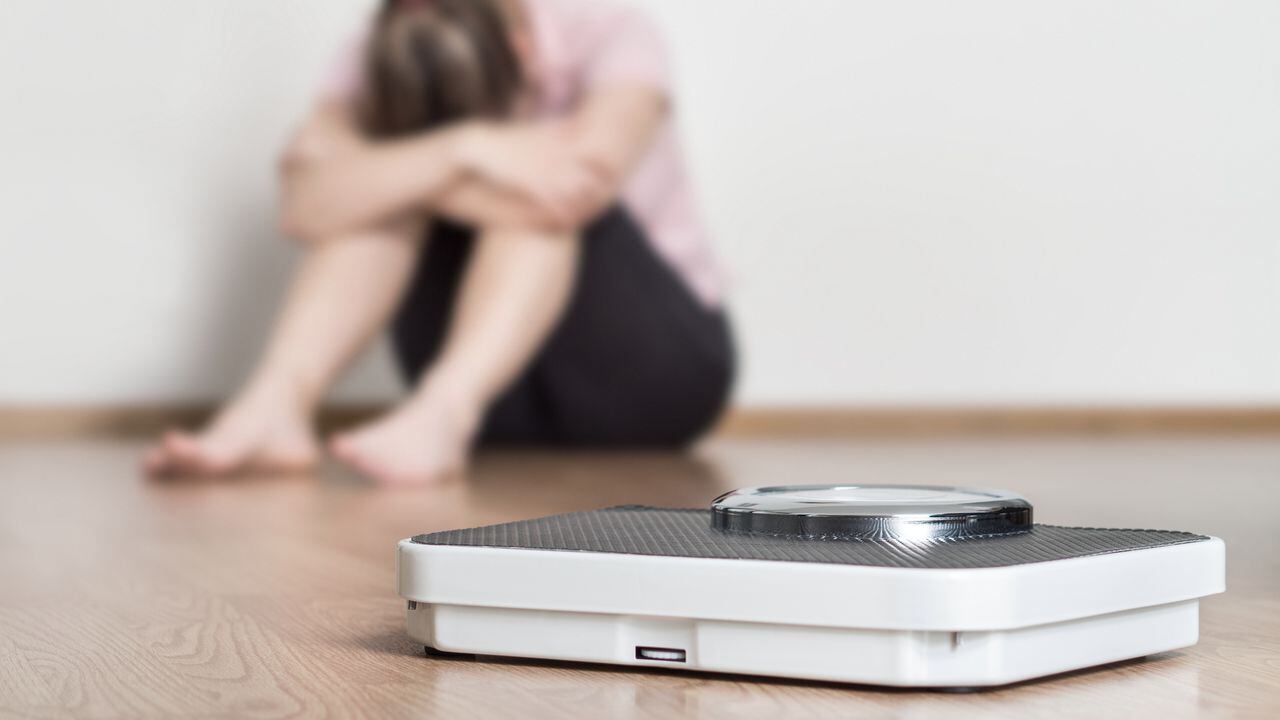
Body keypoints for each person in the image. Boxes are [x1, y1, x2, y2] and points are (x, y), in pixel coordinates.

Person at [143, 0, 733, 485]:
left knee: (530, 197)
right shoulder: (379, 48)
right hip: (500, 408)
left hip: (651, 378)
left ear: (523, 53)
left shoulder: (609, 29)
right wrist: (464, 149)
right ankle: (277, 404)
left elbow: (575, 185)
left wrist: (401, 171)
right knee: (381, 198)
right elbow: (303, 206)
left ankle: (444, 410)